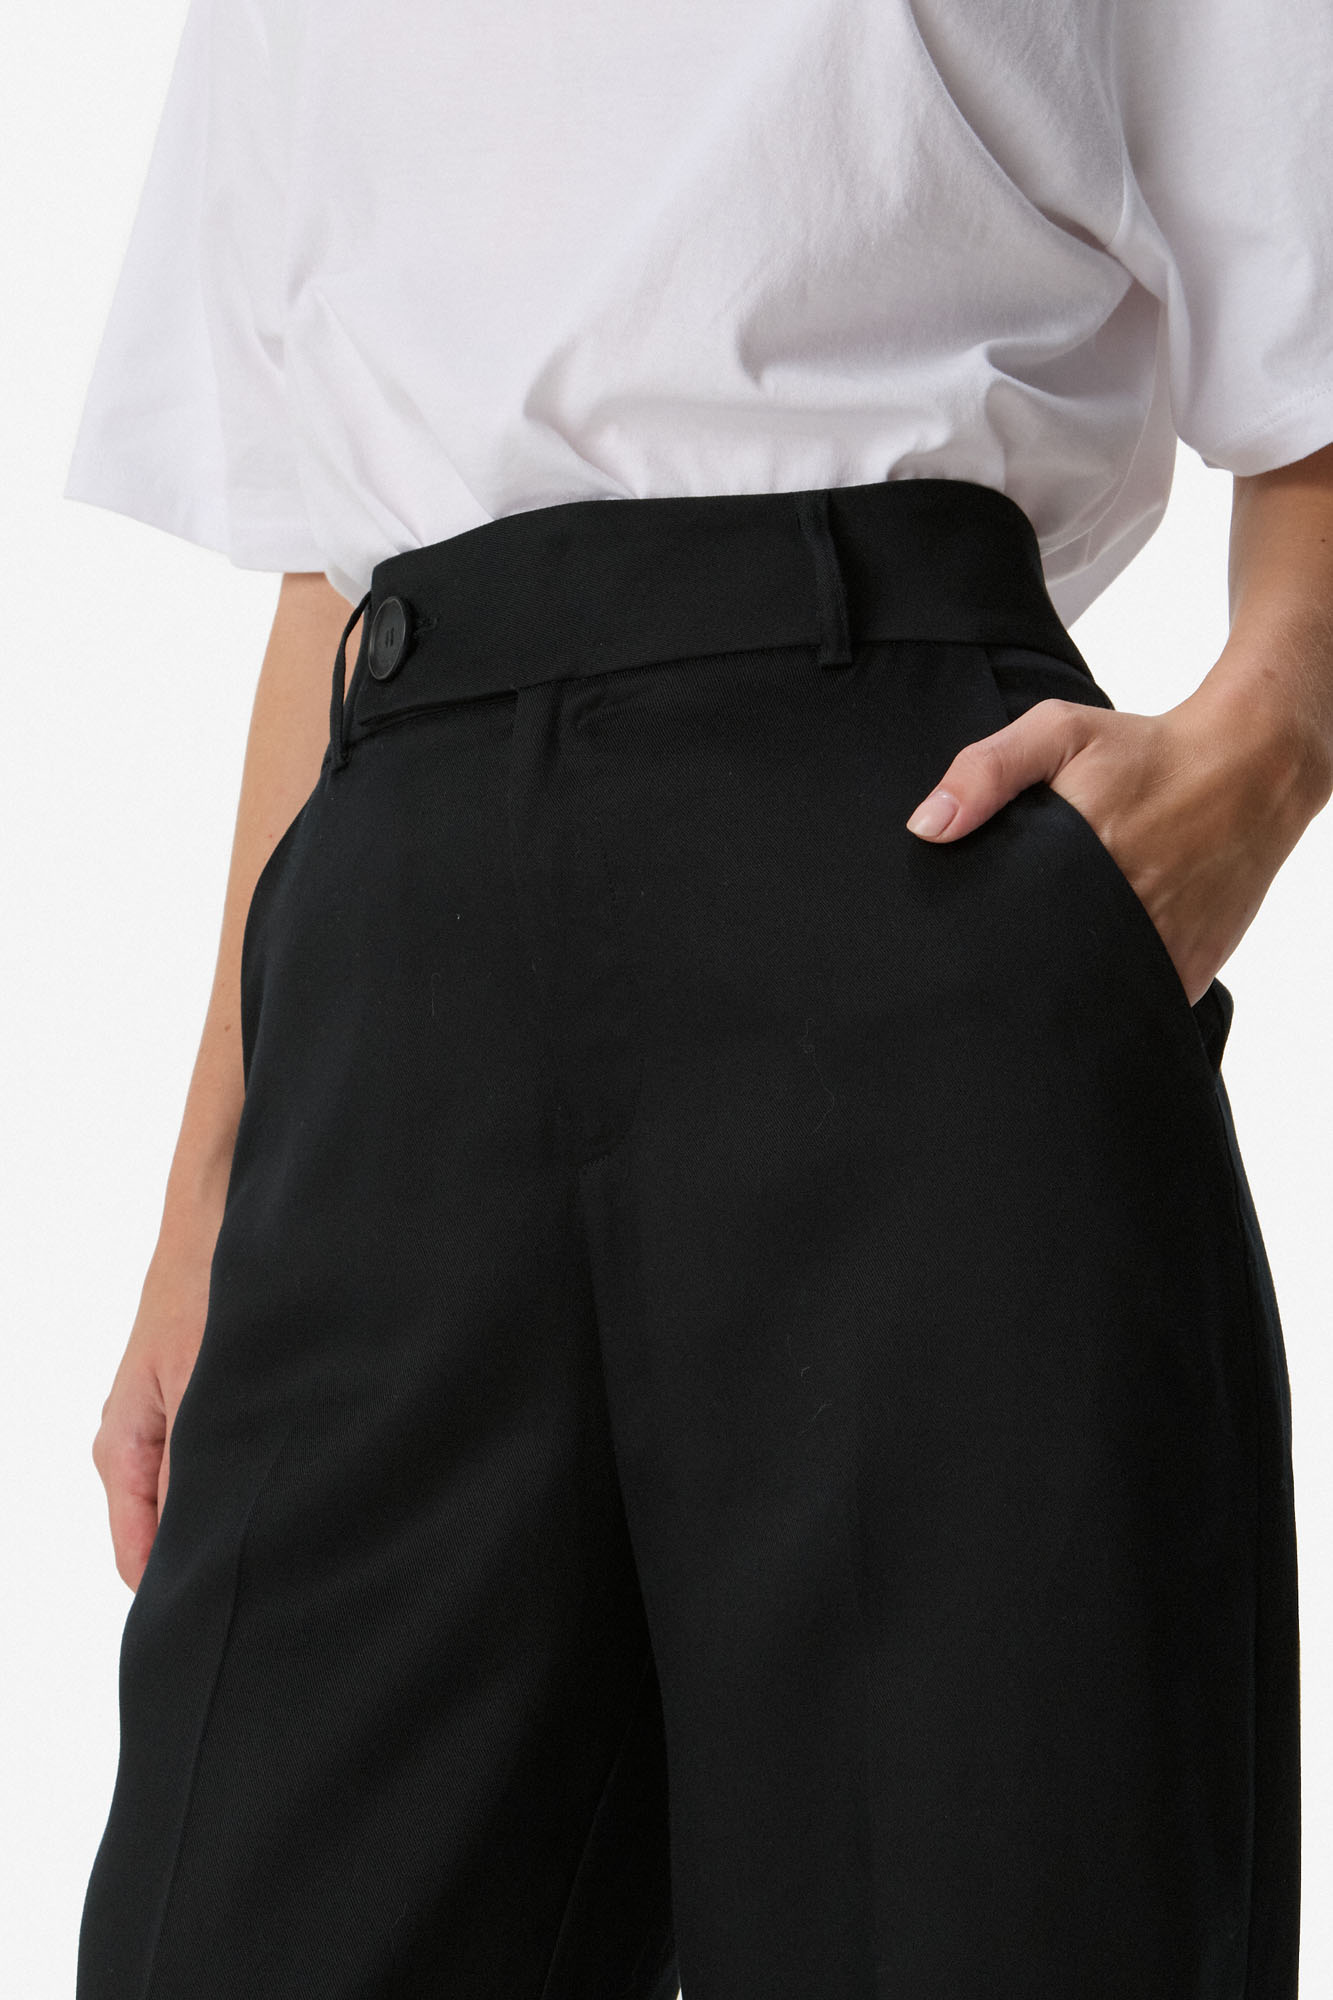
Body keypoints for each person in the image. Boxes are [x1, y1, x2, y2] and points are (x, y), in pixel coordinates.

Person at [62, 2, 1332, 1995]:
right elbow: (343, 542)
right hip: (399, 916)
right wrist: (199, 1204)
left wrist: (1264, 740)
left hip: (903, 856)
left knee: (987, 1915)